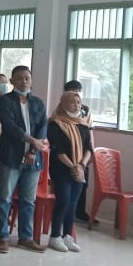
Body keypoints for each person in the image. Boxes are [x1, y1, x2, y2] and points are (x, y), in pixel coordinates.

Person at [0, 66, 48, 254]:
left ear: (31, 80)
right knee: (5, 198)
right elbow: (10, 127)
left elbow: (42, 128)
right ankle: (2, 237)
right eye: (19, 78)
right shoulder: (4, 101)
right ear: (12, 81)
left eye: (27, 78)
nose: (24, 82)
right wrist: (31, 140)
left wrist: (33, 150)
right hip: (11, 156)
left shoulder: (38, 103)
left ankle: (26, 238)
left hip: (33, 158)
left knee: (28, 200)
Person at [46, 92, 92, 253]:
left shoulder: (83, 124)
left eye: (79, 102)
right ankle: (55, 236)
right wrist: (74, 167)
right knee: (63, 200)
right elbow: (58, 150)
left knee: (73, 204)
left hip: (80, 169)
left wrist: (81, 165)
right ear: (63, 103)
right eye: (72, 102)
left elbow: (88, 148)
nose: (76, 105)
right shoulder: (55, 123)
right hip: (61, 168)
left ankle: (68, 236)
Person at [63, 80, 94, 223]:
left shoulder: (85, 109)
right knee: (67, 182)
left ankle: (79, 211)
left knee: (83, 181)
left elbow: (90, 130)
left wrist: (91, 150)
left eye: (78, 91)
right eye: (72, 91)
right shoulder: (62, 109)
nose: (76, 94)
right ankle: (66, 212)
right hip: (67, 151)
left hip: (83, 151)